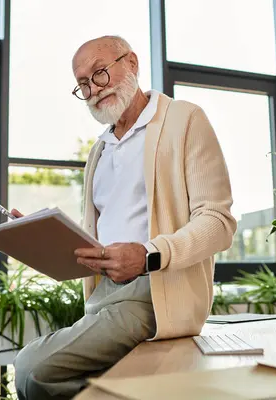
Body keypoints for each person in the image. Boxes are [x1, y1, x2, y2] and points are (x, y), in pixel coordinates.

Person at [12, 35, 237, 400]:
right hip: (103, 296)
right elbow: (102, 238)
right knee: (35, 374)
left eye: (99, 74)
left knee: (32, 368)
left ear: (131, 63)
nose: (94, 90)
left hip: (155, 293)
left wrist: (148, 254)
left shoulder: (184, 119)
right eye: (83, 84)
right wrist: (44, 240)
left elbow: (218, 222)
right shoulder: (99, 150)